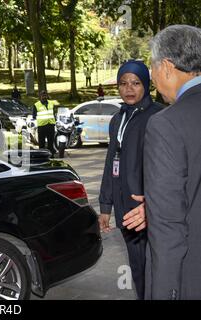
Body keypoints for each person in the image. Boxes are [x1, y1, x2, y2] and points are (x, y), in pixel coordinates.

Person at [143, 25, 201, 300]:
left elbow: (168, 229)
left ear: (166, 66)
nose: (152, 77)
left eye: (151, 68)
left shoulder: (165, 125)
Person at [98, 60, 163, 299]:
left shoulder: (158, 116)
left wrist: (154, 202)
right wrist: (106, 206)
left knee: (155, 268)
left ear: (146, 84)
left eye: (136, 83)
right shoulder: (117, 119)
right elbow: (110, 163)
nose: (129, 88)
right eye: (123, 83)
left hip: (149, 208)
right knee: (136, 266)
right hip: (124, 208)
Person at [32, 90, 57, 157]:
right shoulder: (36, 105)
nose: (44, 97)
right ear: (40, 96)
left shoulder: (51, 103)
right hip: (42, 126)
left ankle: (51, 156)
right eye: (42, 95)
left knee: (51, 142)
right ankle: (41, 156)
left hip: (50, 125)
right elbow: (34, 116)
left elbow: (54, 114)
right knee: (41, 143)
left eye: (45, 95)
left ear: (47, 96)